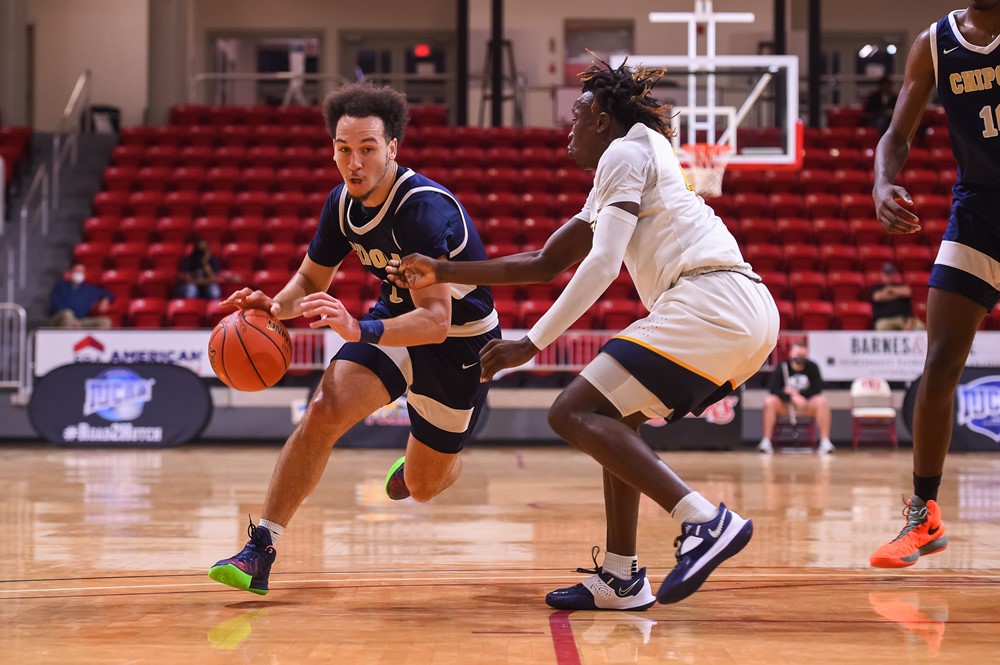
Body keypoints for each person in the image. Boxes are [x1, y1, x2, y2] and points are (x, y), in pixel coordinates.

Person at [388, 57, 779, 609]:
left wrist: (531, 343)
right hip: (741, 311)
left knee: (570, 411)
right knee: (615, 419)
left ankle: (704, 520)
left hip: (710, 300)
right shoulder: (630, 162)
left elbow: (602, 266)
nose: (568, 130)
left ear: (601, 118)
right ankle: (622, 577)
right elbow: (545, 262)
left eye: (576, 117)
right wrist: (444, 271)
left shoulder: (625, 151)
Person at [207, 83, 500, 595]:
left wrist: (359, 328)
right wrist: (272, 308)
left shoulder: (423, 211)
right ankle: (260, 549)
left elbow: (435, 321)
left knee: (423, 486)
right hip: (394, 321)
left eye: (367, 148)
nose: (354, 162)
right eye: (344, 149)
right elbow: (309, 281)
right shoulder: (341, 203)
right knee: (322, 410)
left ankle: (440, 460)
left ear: (393, 148)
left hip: (458, 341)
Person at [870, 2, 1000, 569]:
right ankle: (923, 516)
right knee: (941, 361)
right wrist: (882, 183)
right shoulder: (935, 43)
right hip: (977, 213)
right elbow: (897, 135)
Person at [756, 343, 835, 455]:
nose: (800, 357)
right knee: (769, 401)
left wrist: (799, 395)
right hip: (786, 406)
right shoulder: (782, 367)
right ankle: (766, 441)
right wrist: (792, 397)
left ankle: (825, 441)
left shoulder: (812, 367)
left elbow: (817, 388)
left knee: (821, 401)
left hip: (806, 405)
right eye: (797, 354)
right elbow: (773, 388)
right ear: (791, 354)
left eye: (803, 355)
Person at [48, 262, 113, 328]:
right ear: (70, 272)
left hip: (81, 320)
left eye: (81, 271)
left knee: (105, 321)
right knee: (67, 314)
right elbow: (56, 305)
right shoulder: (61, 287)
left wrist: (105, 299)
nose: (79, 273)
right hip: (60, 318)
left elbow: (107, 293)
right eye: (77, 271)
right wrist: (73, 320)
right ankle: (67, 334)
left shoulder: (88, 289)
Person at [871, 261, 924, 330]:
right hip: (885, 320)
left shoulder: (901, 285)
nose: (889, 276)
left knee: (920, 327)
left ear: (895, 274)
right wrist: (898, 294)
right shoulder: (876, 287)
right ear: (882, 274)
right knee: (881, 326)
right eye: (886, 274)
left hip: (903, 319)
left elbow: (907, 292)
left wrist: (889, 290)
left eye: (891, 273)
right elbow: (878, 297)